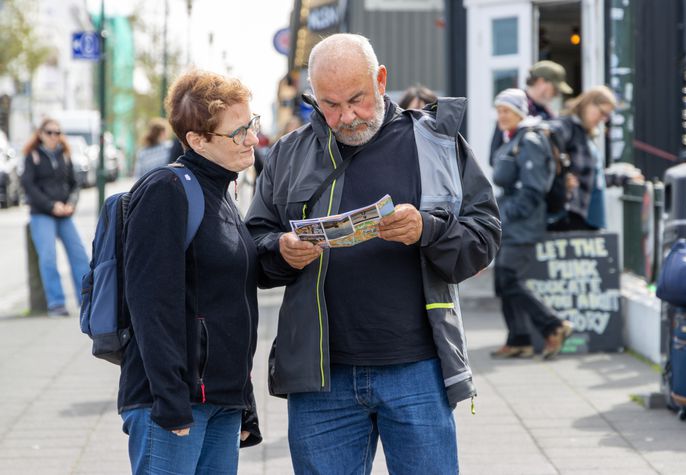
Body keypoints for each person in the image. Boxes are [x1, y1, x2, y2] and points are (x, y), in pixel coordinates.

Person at [246, 33, 501, 474]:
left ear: (382, 79)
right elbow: (253, 243)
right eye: (329, 104)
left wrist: (428, 229)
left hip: (417, 367)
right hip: (320, 376)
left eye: (357, 99)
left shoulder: (436, 142)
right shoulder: (289, 153)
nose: (345, 117)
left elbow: (485, 235)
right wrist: (279, 250)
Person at [119, 70, 262, 474]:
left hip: (220, 400)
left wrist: (243, 402)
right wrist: (170, 401)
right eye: (238, 133)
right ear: (197, 140)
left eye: (252, 124)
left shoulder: (222, 193)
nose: (252, 139)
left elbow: (231, 305)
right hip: (174, 404)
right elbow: (150, 303)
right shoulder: (167, 191)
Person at [489, 89, 573, 360]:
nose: (501, 116)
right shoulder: (512, 138)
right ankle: (519, 339)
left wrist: (509, 214)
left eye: (507, 111)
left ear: (520, 113)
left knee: (510, 278)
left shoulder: (531, 140)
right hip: (511, 222)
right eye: (499, 110)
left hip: (523, 224)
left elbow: (534, 188)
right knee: (502, 281)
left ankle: (554, 325)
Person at [20, 118, 90, 317]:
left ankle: (87, 301)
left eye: (57, 132)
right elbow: (29, 187)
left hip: (65, 214)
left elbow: (75, 184)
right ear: (41, 134)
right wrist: (51, 206)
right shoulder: (32, 156)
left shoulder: (65, 155)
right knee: (48, 258)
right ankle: (56, 303)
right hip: (42, 214)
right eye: (49, 132)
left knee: (80, 255)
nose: (54, 136)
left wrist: (71, 204)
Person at [547, 85, 617, 231]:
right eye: (602, 113)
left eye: (606, 117)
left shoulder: (586, 135)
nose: (602, 120)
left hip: (591, 216)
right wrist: (559, 178)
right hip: (571, 215)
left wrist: (622, 177)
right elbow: (546, 138)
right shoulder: (567, 126)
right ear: (589, 103)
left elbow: (595, 178)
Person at [489, 60, 573, 164]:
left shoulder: (548, 113)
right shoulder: (514, 108)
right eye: (555, 89)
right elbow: (494, 157)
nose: (556, 94)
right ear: (541, 82)